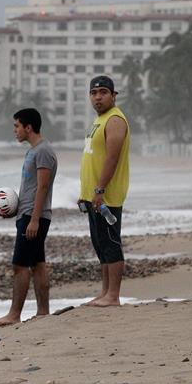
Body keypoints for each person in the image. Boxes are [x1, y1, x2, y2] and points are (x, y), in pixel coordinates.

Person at [0, 108, 58, 327]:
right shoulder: (33, 151)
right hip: (27, 214)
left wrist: (34, 219)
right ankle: (43, 313)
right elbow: (31, 188)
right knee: (37, 263)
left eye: (17, 126)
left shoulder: (43, 151)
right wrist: (14, 210)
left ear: (28, 127)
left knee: (19, 266)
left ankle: (14, 314)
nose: (15, 131)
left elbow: (43, 187)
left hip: (33, 216)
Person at [79, 75, 130, 307]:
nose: (98, 97)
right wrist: (85, 193)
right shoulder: (99, 120)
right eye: (94, 93)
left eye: (103, 92)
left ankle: (113, 295)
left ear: (113, 95)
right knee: (99, 243)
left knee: (110, 241)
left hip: (107, 195)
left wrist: (99, 189)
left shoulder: (115, 120)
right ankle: (105, 292)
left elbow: (111, 158)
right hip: (94, 195)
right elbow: (92, 158)